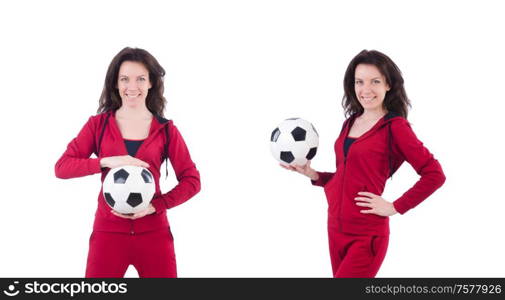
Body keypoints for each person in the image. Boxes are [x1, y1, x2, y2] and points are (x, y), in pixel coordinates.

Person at [282, 50, 446, 277]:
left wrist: (395, 207)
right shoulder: (350, 122)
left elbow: (434, 174)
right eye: (359, 81)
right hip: (335, 230)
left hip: (366, 235)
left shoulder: (395, 127)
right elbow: (347, 176)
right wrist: (314, 175)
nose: (365, 89)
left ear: (388, 84)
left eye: (375, 81)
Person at [55, 47, 201, 278]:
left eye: (141, 79)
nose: (132, 87)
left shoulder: (166, 130)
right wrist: (105, 162)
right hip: (108, 233)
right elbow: (62, 168)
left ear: (151, 83)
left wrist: (156, 206)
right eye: (125, 79)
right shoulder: (97, 125)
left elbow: (192, 181)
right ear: (115, 83)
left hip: (154, 234)